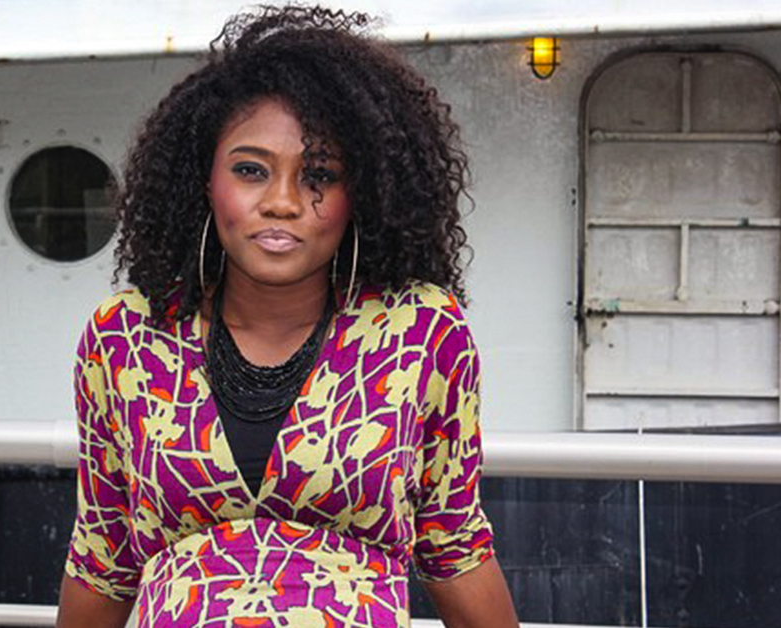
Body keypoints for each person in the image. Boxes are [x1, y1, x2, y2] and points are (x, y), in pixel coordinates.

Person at [56, 6, 519, 627]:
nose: (280, 202)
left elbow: (455, 545)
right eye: (251, 170)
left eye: (319, 175)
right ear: (204, 181)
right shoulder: (126, 338)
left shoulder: (422, 333)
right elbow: (102, 558)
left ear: (365, 192)